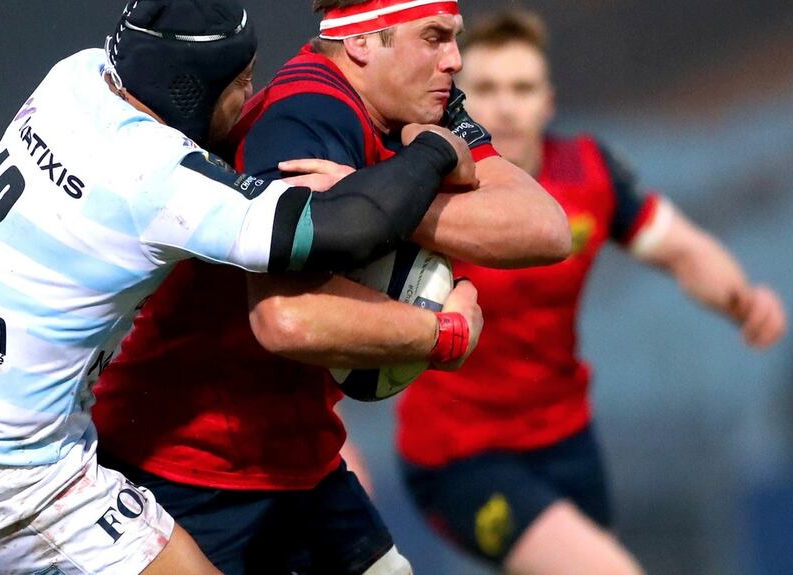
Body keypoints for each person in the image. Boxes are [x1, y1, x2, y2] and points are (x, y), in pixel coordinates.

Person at [0, 1, 474, 573]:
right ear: (192, 90)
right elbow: (349, 230)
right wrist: (436, 152)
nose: (253, 96)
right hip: (7, 483)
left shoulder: (74, 79)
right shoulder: (155, 185)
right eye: (242, 83)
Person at [92, 1, 572, 573]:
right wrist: (444, 334)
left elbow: (545, 226)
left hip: (296, 462)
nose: (455, 60)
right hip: (188, 471)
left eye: (455, 38)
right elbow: (288, 319)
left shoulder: (423, 106)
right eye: (435, 37)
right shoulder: (307, 115)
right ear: (364, 43)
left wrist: (380, 201)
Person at [394, 9, 788, 575]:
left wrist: (742, 300)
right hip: (460, 458)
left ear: (547, 101)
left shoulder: (589, 173)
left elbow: (682, 248)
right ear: (457, 100)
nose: (505, 105)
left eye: (522, 88)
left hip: (567, 442)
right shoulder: (420, 185)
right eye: (486, 88)